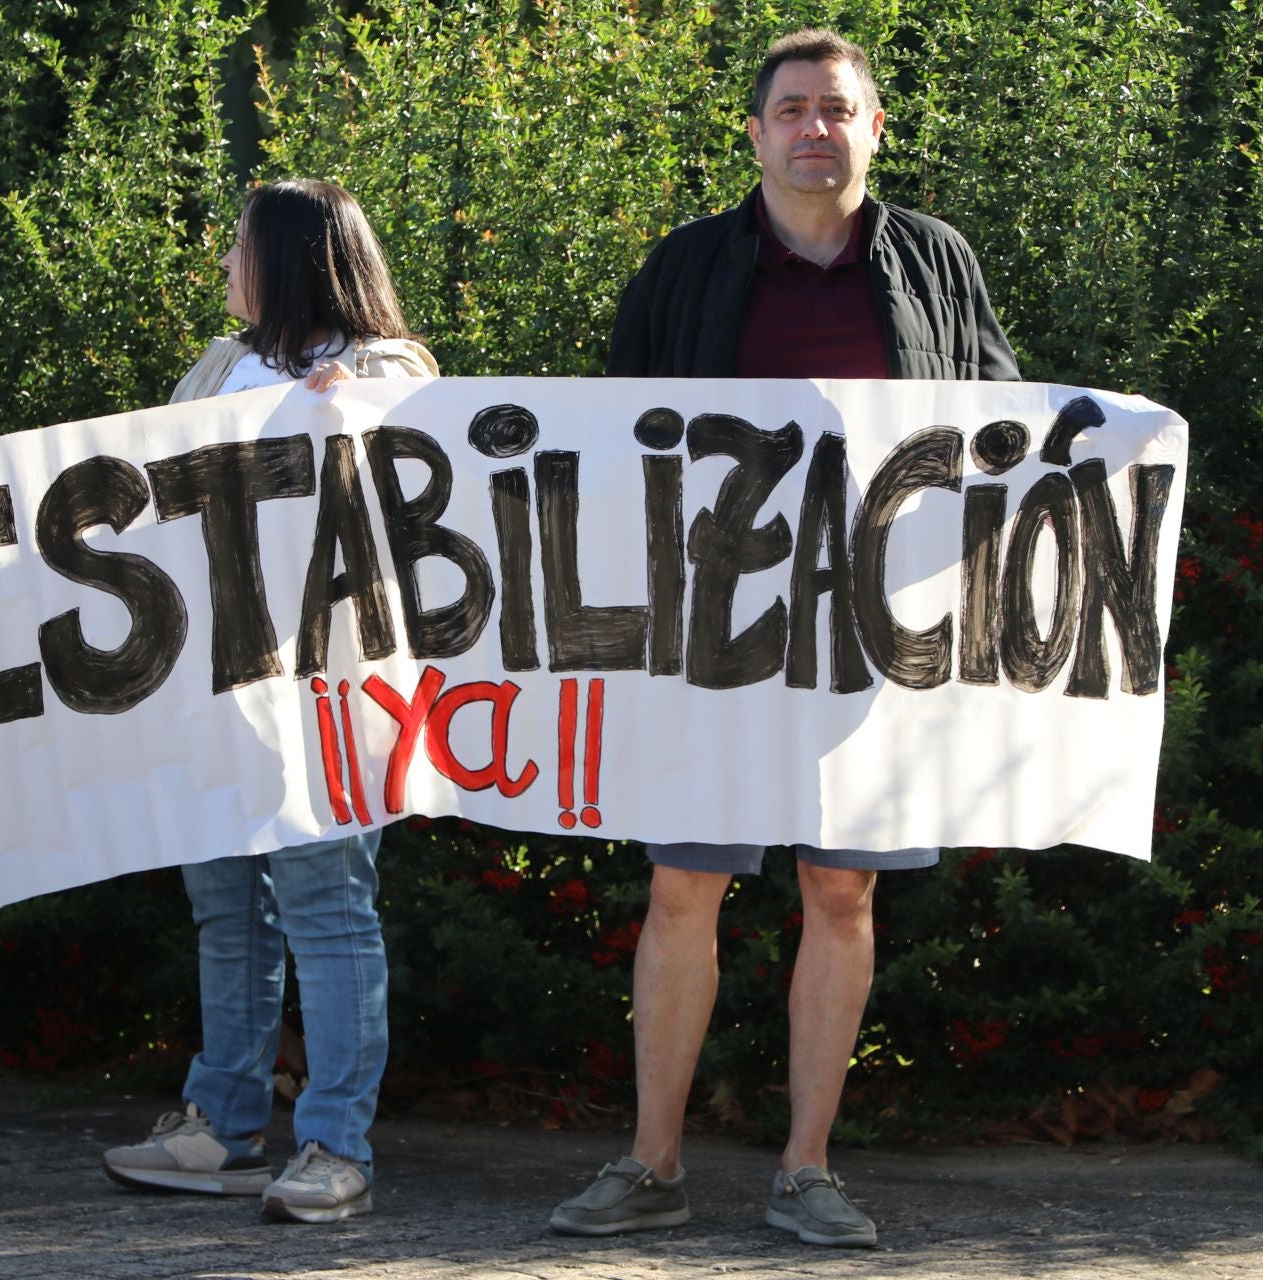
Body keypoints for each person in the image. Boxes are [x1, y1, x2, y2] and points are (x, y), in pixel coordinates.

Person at [549, 29, 1019, 1246]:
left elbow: (1005, 426)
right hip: (714, 629)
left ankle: (807, 1169)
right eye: (793, 108)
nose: (816, 127)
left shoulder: (937, 265)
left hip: (873, 635)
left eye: (838, 108)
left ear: (876, 128)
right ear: (754, 133)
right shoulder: (689, 267)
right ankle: (651, 1164)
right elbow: (614, 436)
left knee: (843, 889)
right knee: (682, 884)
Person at [101, 179, 435, 1224]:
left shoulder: (390, 368)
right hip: (216, 683)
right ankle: (225, 1121)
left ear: (290, 260)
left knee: (326, 906)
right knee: (227, 904)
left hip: (329, 695)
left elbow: (417, 469)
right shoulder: (219, 362)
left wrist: (350, 403)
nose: (226, 268)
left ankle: (336, 1141)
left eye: (240, 249)